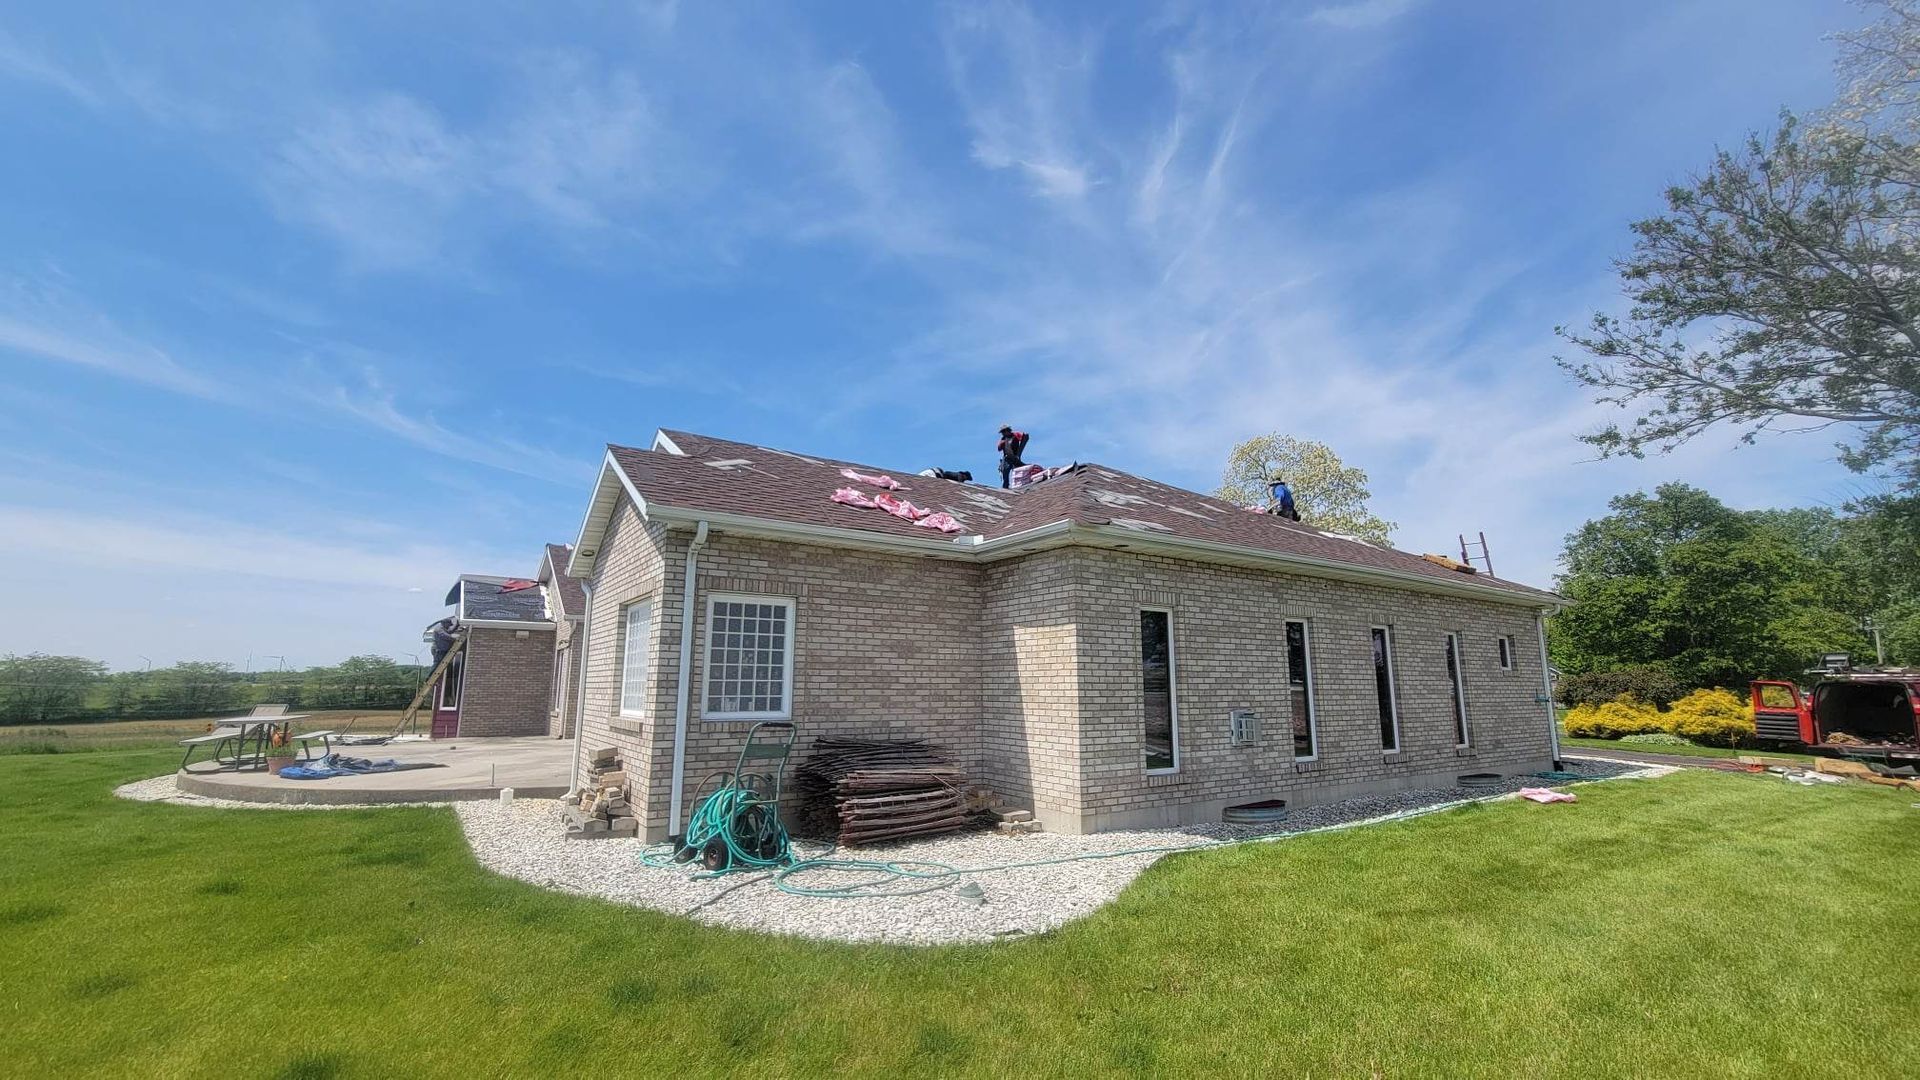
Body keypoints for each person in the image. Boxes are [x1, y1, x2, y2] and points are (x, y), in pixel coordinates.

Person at [996, 424, 1029, 489]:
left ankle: (1023, 482)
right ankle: (1005, 487)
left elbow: (1024, 437)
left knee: (1021, 469)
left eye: (1003, 432)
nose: (1003, 434)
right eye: (1002, 432)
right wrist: (1003, 443)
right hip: (1007, 458)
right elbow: (999, 448)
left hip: (1015, 457)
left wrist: (1019, 453)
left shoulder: (1015, 435)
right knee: (1005, 472)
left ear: (1007, 431)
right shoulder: (1003, 439)